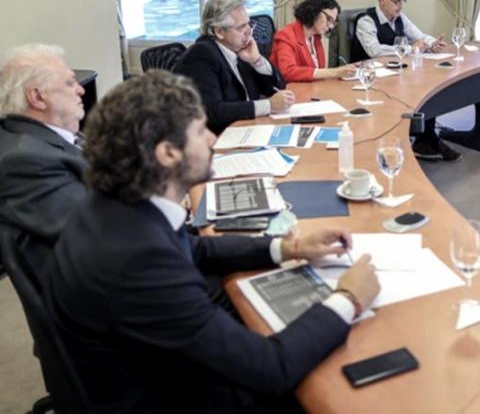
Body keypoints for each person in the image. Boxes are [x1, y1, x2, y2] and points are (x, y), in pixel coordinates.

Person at [44, 70, 380, 413]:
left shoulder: (117, 205)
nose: (213, 140)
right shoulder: (139, 261)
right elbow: (269, 367)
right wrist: (349, 298)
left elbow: (195, 247)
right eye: (201, 131)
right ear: (168, 153)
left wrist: (289, 247)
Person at [0, 44, 86, 281]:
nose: (81, 90)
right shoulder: (25, 159)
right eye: (70, 83)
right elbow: (96, 233)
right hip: (107, 293)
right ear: (37, 97)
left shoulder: (50, 137)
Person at [351, 0, 460, 162]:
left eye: (403, 0)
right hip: (371, 78)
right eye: (397, 1)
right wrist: (412, 48)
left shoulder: (400, 17)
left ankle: (425, 139)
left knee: (428, 86)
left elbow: (418, 35)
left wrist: (433, 43)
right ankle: (426, 139)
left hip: (396, 73)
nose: (401, 6)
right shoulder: (366, 20)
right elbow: (375, 51)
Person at [174, 0, 294, 135]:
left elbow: (277, 87)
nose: (249, 31)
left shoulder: (239, 49)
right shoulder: (202, 54)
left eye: (249, 24)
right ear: (219, 32)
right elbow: (212, 111)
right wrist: (268, 105)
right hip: (218, 138)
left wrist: (257, 60)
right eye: (241, 27)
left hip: (246, 128)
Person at [270, 0, 358, 82]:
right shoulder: (286, 35)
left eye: (333, 22)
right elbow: (288, 72)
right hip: (289, 91)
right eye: (329, 19)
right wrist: (334, 72)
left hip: (310, 89)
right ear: (315, 11)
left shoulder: (315, 37)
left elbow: (316, 73)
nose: (331, 26)